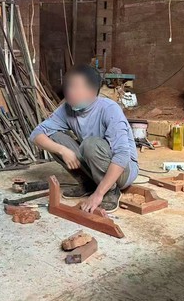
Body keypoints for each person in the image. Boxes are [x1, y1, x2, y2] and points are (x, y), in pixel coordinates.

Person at [29, 65, 140, 213]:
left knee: (90, 144)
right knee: (54, 138)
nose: (69, 91)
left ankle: (110, 191)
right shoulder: (67, 108)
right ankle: (88, 184)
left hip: (124, 171)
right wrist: (62, 150)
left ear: (92, 91)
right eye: (68, 86)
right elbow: (36, 134)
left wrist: (98, 194)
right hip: (94, 163)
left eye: (75, 87)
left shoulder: (109, 109)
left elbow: (122, 155)